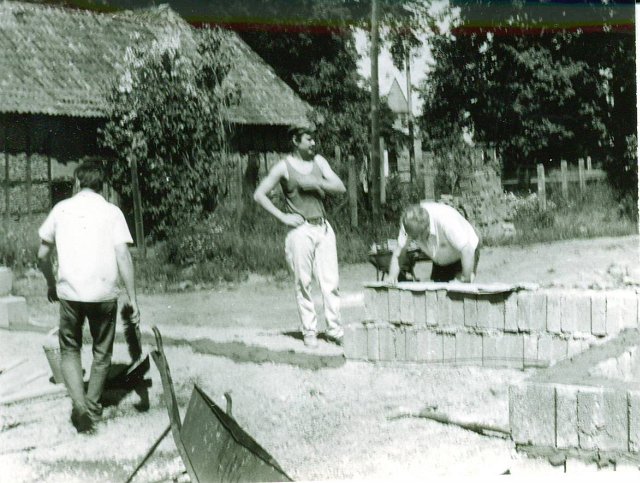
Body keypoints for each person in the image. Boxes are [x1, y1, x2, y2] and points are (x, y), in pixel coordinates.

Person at [37, 158, 140, 433]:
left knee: (70, 348)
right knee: (101, 352)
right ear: (102, 186)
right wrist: (132, 297)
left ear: (78, 182)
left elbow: (42, 255)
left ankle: (80, 407)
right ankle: (93, 407)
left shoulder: (61, 210)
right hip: (104, 293)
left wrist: (50, 283)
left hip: (70, 292)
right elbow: (123, 255)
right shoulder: (112, 212)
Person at [254, 126, 346, 348]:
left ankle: (335, 330)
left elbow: (340, 187)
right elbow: (259, 194)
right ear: (296, 141)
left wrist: (317, 183)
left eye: (314, 139)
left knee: (330, 282)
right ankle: (310, 331)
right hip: (300, 230)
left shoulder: (319, 162)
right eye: (309, 139)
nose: (313, 143)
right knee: (303, 282)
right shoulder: (283, 166)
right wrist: (283, 217)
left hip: (323, 227)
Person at [388, 202, 481, 283]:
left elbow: (467, 250)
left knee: (458, 294)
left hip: (465, 253)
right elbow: (398, 254)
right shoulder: (408, 222)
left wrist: (465, 280)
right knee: (438, 295)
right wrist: (391, 278)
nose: (415, 240)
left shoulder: (447, 221)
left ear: (427, 227)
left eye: (416, 237)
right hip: (441, 257)